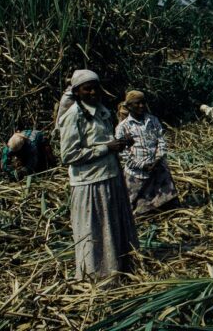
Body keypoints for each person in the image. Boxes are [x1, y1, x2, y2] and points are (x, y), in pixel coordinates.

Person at [59, 69, 138, 281]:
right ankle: (96, 275)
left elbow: (104, 140)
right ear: (77, 92)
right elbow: (68, 155)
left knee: (112, 226)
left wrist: (120, 144)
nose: (93, 92)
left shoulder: (102, 111)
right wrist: (106, 148)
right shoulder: (73, 116)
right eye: (87, 89)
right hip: (89, 183)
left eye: (95, 88)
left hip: (110, 177)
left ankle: (120, 268)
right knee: (94, 231)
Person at [115, 90, 177, 215]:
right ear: (129, 106)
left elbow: (161, 140)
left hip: (157, 166)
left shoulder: (153, 120)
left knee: (167, 201)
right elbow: (123, 153)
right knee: (135, 205)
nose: (141, 106)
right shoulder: (123, 127)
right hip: (137, 172)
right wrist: (141, 165)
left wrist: (158, 158)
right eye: (137, 103)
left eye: (143, 103)